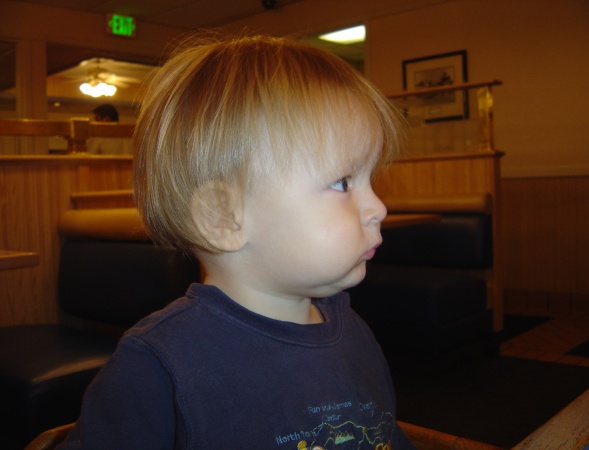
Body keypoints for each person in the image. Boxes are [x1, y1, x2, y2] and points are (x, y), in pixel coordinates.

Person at [58, 34, 415, 449]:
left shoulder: (353, 332)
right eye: (343, 183)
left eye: (371, 179)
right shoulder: (159, 365)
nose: (378, 207)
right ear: (223, 217)